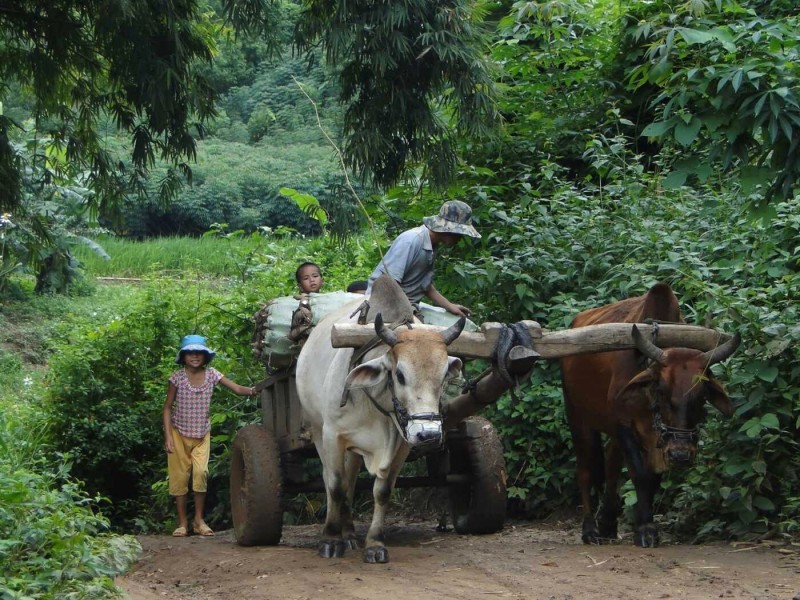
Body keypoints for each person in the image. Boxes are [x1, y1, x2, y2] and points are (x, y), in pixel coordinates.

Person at [162, 334, 257, 537]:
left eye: (199, 353)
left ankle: (198, 520)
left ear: (205, 356)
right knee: (179, 479)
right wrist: (168, 436)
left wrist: (253, 390)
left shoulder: (212, 374)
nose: (195, 356)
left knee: (200, 475)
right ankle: (182, 523)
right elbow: (167, 408)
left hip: (201, 434)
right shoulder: (177, 377)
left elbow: (237, 389)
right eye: (190, 353)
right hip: (178, 434)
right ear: (184, 357)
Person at [366, 200, 480, 317]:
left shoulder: (432, 245)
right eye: (459, 234)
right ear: (449, 230)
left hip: (407, 307)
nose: (460, 238)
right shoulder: (411, 241)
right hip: (385, 304)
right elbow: (389, 284)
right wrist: (407, 314)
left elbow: (425, 285)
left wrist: (450, 306)